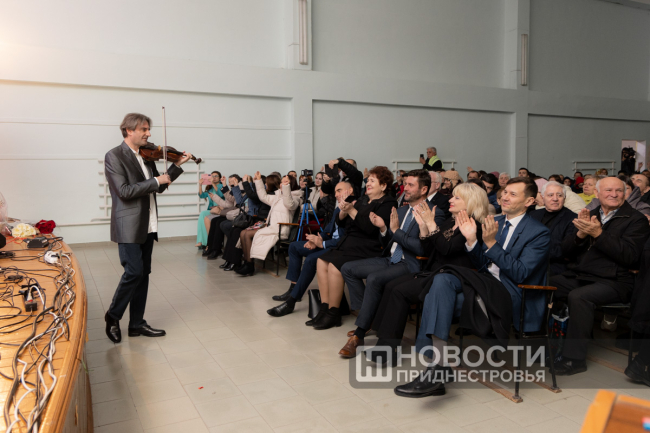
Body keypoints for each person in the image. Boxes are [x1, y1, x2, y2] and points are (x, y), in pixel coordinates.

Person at [394, 177, 550, 398]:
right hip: (483, 283)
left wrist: (490, 243)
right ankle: (437, 366)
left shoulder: (538, 232)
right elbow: (482, 264)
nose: (505, 197)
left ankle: (436, 370)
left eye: (513, 194)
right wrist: (471, 242)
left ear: (529, 201)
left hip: (509, 291)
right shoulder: (495, 220)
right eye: (505, 192)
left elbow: (521, 273)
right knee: (441, 280)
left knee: (436, 293)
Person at [366, 183, 489, 364]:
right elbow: (430, 250)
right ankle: (383, 343)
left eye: (457, 197)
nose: (451, 199)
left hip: (451, 278)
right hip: (434, 272)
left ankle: (386, 350)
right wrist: (424, 228)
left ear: (471, 202)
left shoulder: (472, 225)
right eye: (453, 196)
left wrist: (431, 224)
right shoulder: (450, 222)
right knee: (391, 285)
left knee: (399, 291)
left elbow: (447, 249)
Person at [103, 113, 192, 343]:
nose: (149, 133)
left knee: (143, 275)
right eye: (144, 129)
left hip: (149, 224)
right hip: (129, 226)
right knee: (133, 272)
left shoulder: (147, 156)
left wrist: (176, 166)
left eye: (148, 129)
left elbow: (158, 188)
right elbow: (124, 191)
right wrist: (155, 181)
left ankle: (136, 324)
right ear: (129, 130)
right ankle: (113, 316)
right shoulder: (114, 156)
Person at [338, 170, 444, 357]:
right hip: (390, 258)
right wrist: (383, 229)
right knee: (348, 268)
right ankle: (368, 316)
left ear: (424, 189)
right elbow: (388, 242)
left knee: (374, 278)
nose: (405, 188)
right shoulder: (401, 210)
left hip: (410, 264)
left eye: (411, 185)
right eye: (405, 184)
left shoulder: (434, 213)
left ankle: (359, 334)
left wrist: (395, 231)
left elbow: (422, 249)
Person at [550, 177, 650, 375]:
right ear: (597, 193)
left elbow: (630, 256)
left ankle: (575, 359)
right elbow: (565, 251)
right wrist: (579, 235)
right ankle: (545, 346)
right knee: (544, 284)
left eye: (619, 190)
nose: (614, 194)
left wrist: (599, 234)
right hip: (583, 275)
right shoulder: (590, 214)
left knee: (579, 297)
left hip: (616, 281)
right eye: (608, 190)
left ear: (626, 193)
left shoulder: (636, 219)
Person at [311, 167, 397, 330]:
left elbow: (370, 228)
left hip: (368, 247)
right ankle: (325, 307)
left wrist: (351, 210)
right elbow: (343, 223)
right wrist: (344, 212)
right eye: (368, 180)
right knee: (321, 261)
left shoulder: (388, 203)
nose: (368, 183)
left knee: (335, 266)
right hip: (350, 244)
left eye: (372, 181)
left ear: (383, 186)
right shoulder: (363, 200)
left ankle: (334, 313)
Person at [266, 181, 353, 318]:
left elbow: (346, 240)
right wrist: (317, 239)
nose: (336, 194)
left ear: (350, 191)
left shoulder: (354, 209)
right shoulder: (339, 208)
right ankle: (293, 288)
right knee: (294, 246)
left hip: (339, 248)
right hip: (328, 243)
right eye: (335, 191)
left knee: (312, 259)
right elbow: (329, 228)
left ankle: (291, 302)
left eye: (339, 191)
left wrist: (322, 243)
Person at [236, 173, 304, 276]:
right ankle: (246, 262)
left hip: (281, 229)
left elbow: (289, 203)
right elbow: (263, 197)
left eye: (285, 182)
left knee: (248, 234)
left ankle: (249, 266)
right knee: (243, 233)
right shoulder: (278, 197)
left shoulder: (296, 198)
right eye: (282, 182)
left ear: (291, 185)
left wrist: (286, 187)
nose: (282, 184)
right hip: (272, 227)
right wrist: (258, 181)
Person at [221, 174, 271, 271]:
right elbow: (239, 201)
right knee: (233, 230)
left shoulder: (262, 194)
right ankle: (229, 260)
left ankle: (235, 261)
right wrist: (236, 186)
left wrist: (247, 183)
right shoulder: (252, 191)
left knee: (237, 232)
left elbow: (253, 196)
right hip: (249, 219)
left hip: (255, 220)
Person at [530, 181, 577, 275]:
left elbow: (564, 251)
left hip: (554, 266)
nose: (555, 199)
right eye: (550, 195)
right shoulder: (533, 215)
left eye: (559, 195)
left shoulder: (573, 218)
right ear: (543, 198)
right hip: (528, 262)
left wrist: (533, 252)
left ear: (564, 198)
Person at [203, 175, 245, 260]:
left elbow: (234, 201)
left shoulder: (241, 189)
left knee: (219, 222)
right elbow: (229, 203)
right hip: (231, 212)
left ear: (236, 181)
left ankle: (216, 249)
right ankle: (210, 246)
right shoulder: (234, 189)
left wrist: (225, 186)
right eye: (228, 182)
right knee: (215, 221)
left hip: (236, 214)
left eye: (230, 182)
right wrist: (214, 197)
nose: (229, 184)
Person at [196, 171, 223, 248]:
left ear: (219, 178)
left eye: (216, 176)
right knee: (202, 216)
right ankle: (202, 241)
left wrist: (213, 184)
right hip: (212, 210)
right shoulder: (210, 188)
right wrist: (200, 185)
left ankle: (204, 241)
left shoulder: (222, 186)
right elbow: (201, 195)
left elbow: (221, 194)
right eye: (212, 176)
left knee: (203, 214)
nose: (214, 178)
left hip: (220, 210)